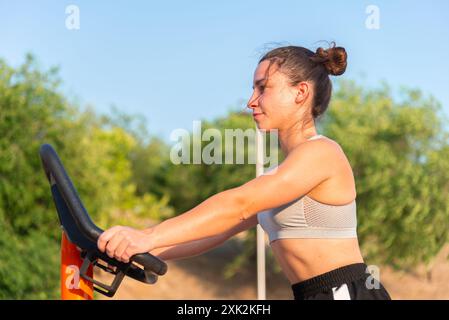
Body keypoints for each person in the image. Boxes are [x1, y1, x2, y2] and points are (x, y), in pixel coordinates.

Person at [97, 42, 391, 300]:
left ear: (301, 92)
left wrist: (147, 236)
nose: (251, 100)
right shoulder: (282, 175)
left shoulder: (321, 153)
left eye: (263, 88)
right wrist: (139, 253)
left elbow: (238, 205)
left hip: (346, 292)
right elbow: (217, 230)